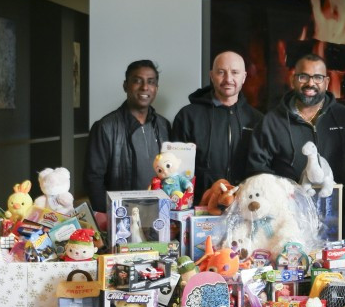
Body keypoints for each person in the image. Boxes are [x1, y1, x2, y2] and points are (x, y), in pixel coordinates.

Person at [247, 53, 345, 184]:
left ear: (326, 82)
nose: (310, 83)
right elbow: (258, 170)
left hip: (338, 202)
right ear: (293, 80)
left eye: (318, 77)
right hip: (288, 203)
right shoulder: (271, 122)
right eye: (303, 77)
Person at [85, 60, 172, 213]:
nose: (145, 87)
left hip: (159, 212)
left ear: (156, 88)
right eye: (137, 81)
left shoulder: (164, 125)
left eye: (150, 82)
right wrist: (105, 215)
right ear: (125, 86)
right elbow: (93, 179)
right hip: (120, 213)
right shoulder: (105, 127)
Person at [171, 51, 263, 189]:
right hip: (198, 205)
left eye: (235, 72)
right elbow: (174, 169)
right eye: (221, 72)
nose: (228, 79)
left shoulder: (257, 120)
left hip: (244, 204)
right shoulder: (188, 116)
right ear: (212, 76)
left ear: (244, 77)